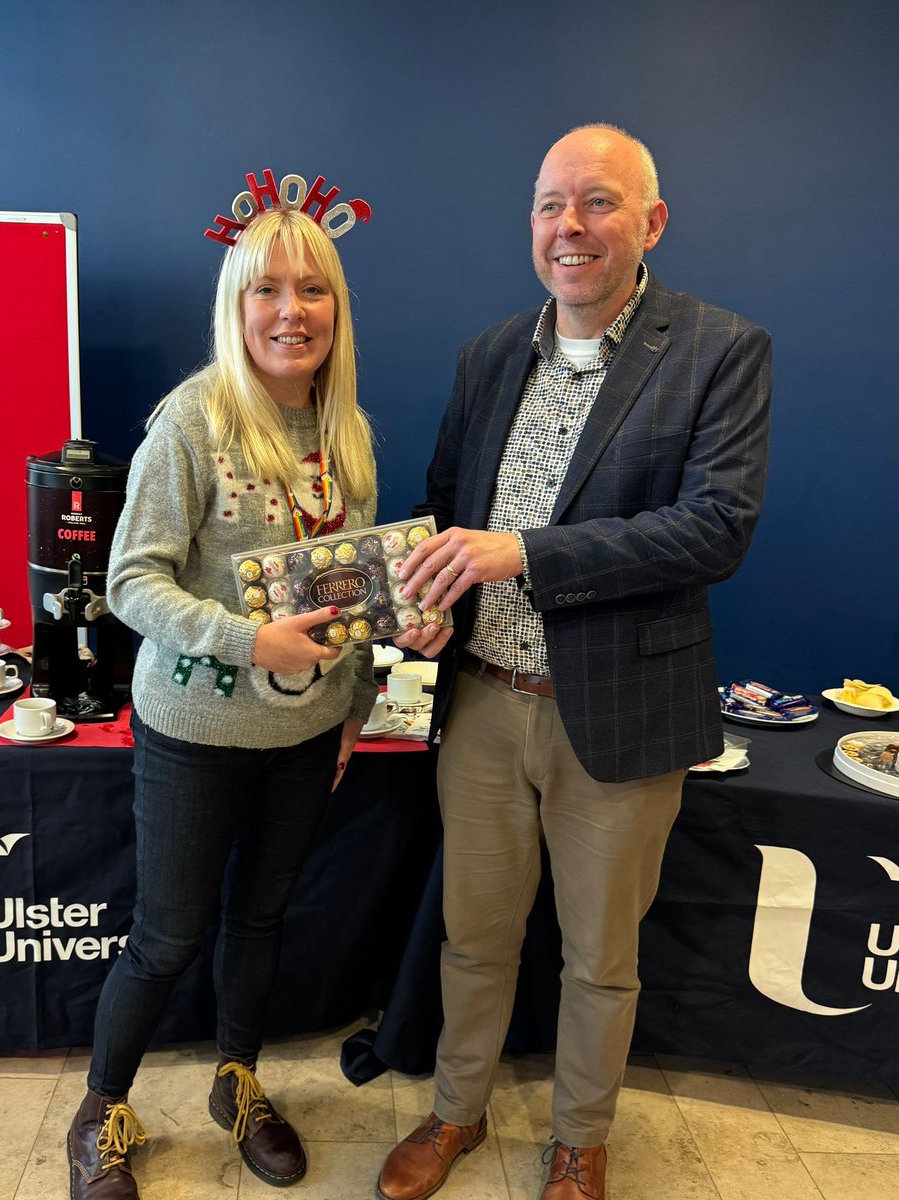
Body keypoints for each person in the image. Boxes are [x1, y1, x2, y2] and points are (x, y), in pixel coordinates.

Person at [376, 124, 771, 1200]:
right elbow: (443, 514)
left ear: (652, 222)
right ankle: (455, 1111)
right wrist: (426, 602)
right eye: (552, 204)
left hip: (624, 716)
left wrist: (527, 554)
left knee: (600, 960)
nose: (570, 227)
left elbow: (716, 529)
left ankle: (578, 1142)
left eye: (598, 203)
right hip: (486, 707)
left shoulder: (720, 349)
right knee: (474, 940)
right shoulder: (491, 353)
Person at [67, 204, 377, 1199]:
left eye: (313, 287)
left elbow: (353, 588)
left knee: (261, 922)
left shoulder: (347, 432)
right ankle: (102, 1108)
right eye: (268, 290)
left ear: (338, 305)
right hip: (195, 731)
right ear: (235, 305)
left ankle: (238, 1080)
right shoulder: (193, 420)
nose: (293, 311)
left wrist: (354, 705)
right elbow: (130, 583)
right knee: (168, 936)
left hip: (305, 731)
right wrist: (249, 642)